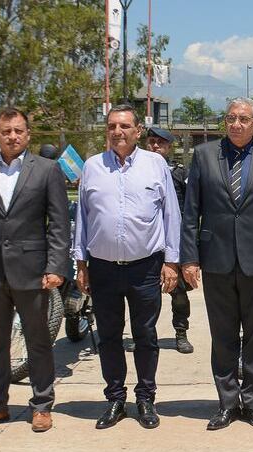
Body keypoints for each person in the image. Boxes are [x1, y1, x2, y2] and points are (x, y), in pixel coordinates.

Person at [0, 108, 70, 433]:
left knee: (38, 341)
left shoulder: (47, 170)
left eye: (19, 130)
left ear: (28, 134)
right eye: (6, 131)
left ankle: (42, 405)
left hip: (33, 272)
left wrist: (56, 266)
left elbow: (59, 225)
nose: (13, 136)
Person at [181, 97, 253, 431]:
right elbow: (191, 212)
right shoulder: (204, 155)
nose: (236, 124)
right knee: (223, 335)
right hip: (216, 260)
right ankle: (227, 403)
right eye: (230, 118)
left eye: (243, 119)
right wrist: (189, 258)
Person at [73, 106, 181, 430]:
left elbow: (170, 215)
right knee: (108, 336)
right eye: (112, 126)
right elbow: (82, 218)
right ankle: (115, 399)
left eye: (125, 126)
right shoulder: (92, 167)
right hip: (103, 268)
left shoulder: (155, 164)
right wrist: (81, 264)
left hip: (145, 267)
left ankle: (146, 397)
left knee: (146, 335)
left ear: (138, 131)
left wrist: (172, 262)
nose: (118, 131)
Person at [144, 126, 194, 355]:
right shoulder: (138, 170)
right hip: (148, 242)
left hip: (175, 240)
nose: (155, 146)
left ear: (169, 147)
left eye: (160, 143)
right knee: (145, 294)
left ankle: (181, 333)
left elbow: (191, 210)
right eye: (151, 141)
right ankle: (145, 334)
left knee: (179, 293)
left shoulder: (180, 173)